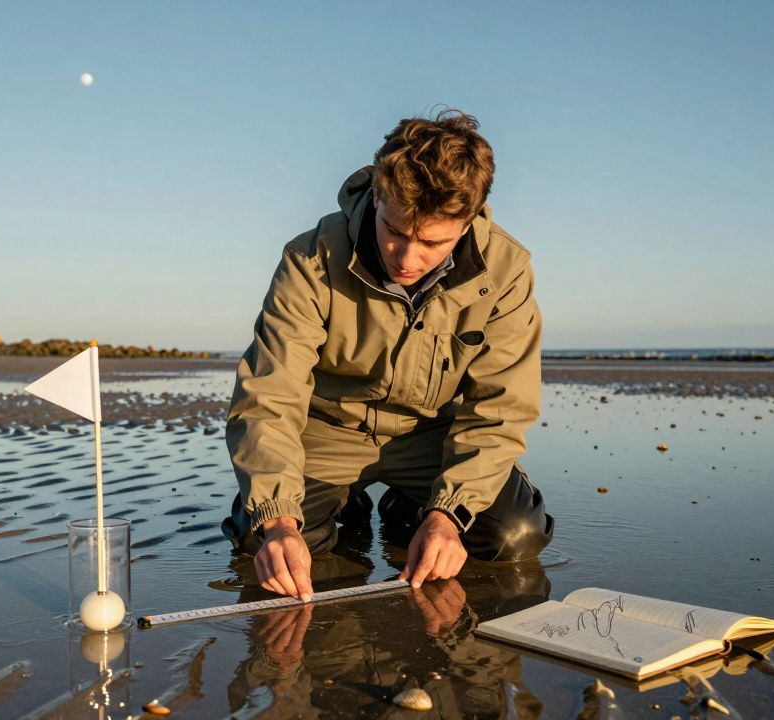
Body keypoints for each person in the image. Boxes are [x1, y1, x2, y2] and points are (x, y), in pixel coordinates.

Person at [221, 109, 553, 601]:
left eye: (432, 242)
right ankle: (344, 503)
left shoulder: (506, 270)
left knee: (514, 535)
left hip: (430, 438)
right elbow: (270, 394)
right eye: (395, 231)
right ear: (376, 195)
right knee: (265, 546)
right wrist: (278, 520)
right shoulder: (310, 258)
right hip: (326, 433)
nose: (407, 258)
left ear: (468, 221)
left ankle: (412, 509)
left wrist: (448, 512)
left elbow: (500, 411)